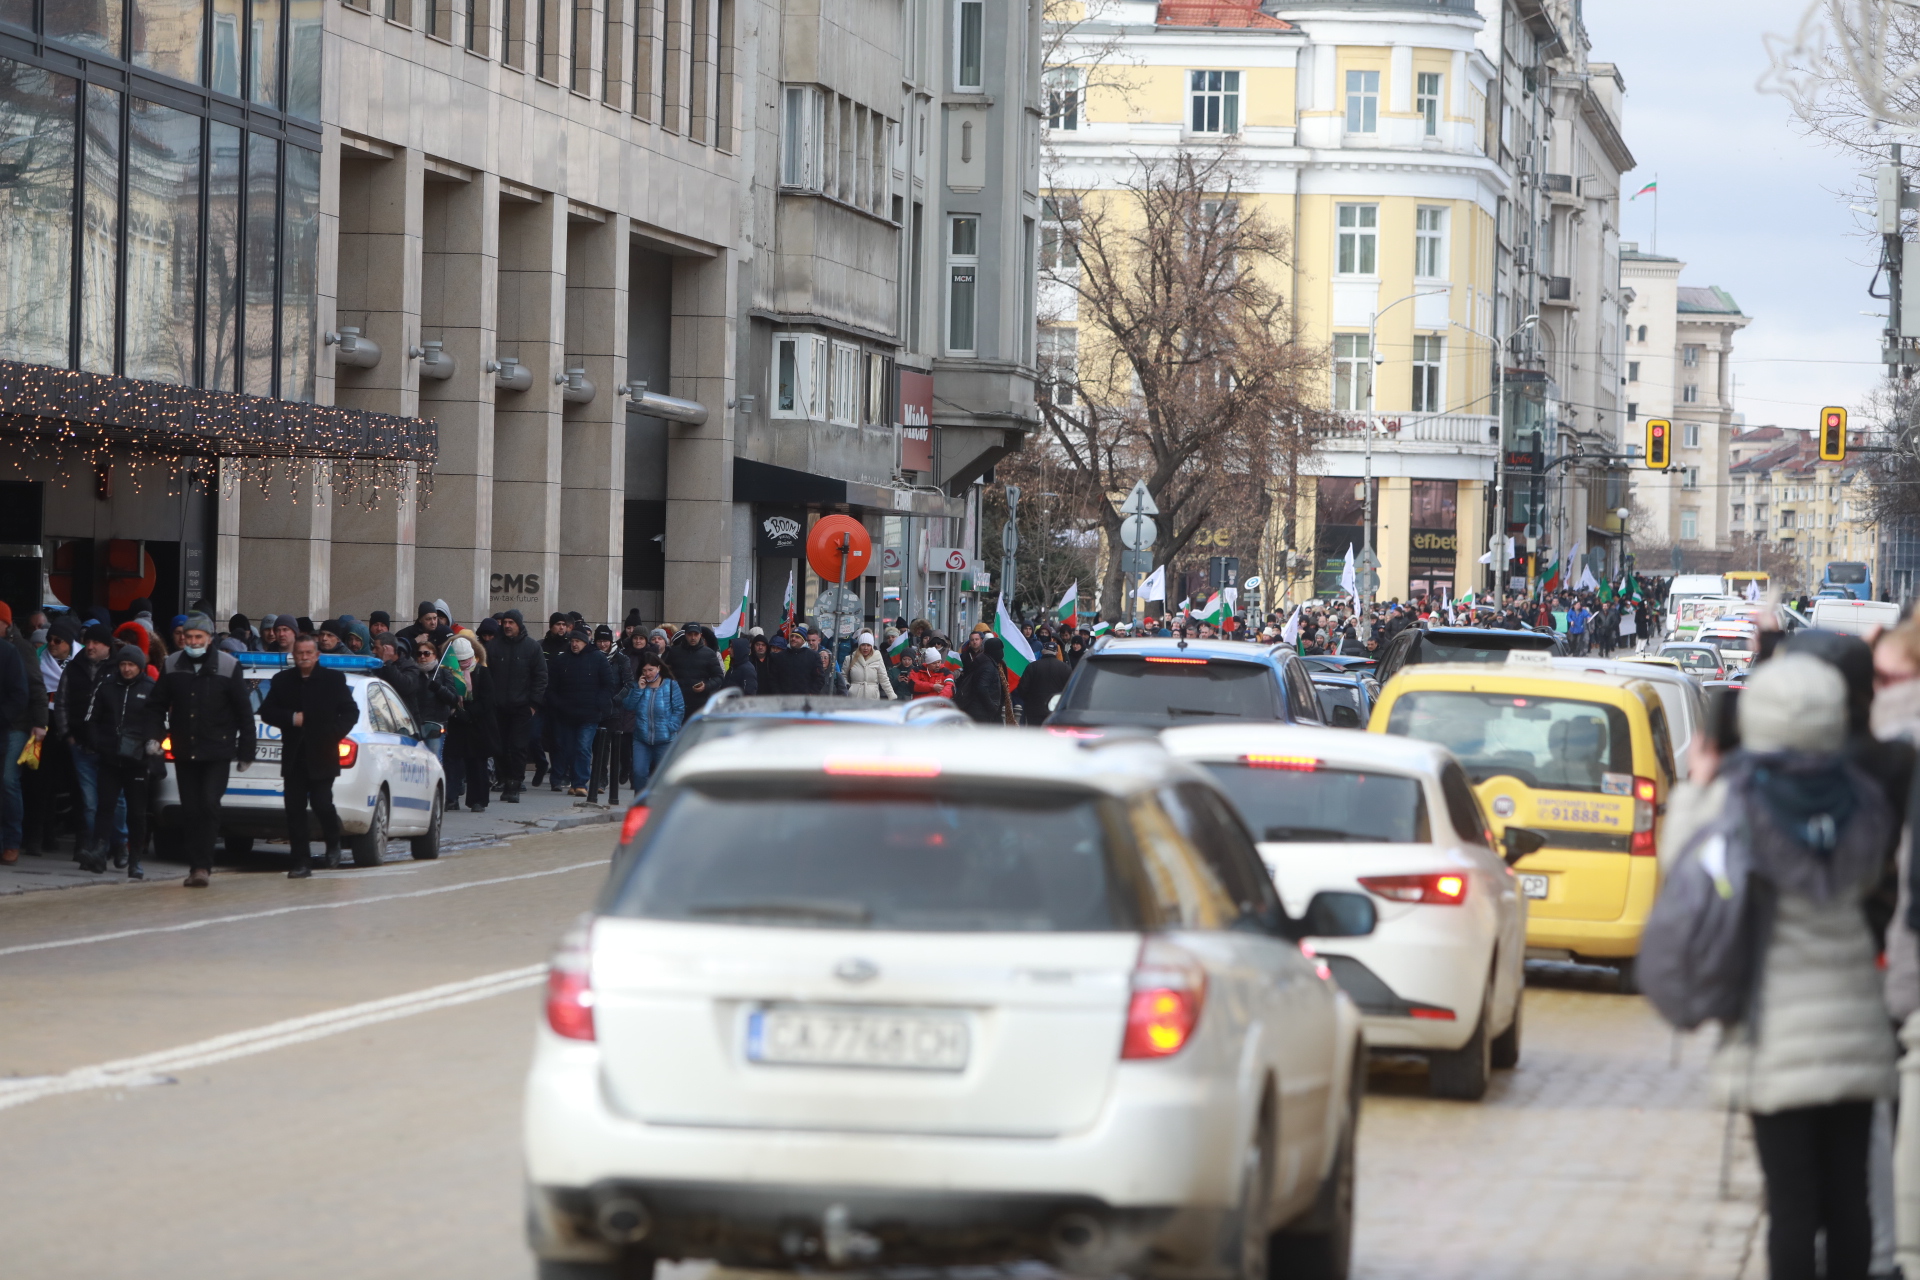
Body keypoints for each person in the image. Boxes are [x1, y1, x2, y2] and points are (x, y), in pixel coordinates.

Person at [1673, 656, 1896, 1280]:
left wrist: (1699, 786)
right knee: (1850, 1197)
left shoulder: (1739, 803)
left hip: (1775, 1032)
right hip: (1856, 1022)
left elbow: (1688, 880)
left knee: (1792, 1205)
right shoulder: (1863, 796)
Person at [145, 613, 255, 887]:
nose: (193, 642)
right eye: (189, 637)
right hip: (185, 749)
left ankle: (203, 866)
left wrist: (246, 751)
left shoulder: (228, 666)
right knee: (191, 808)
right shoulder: (172, 664)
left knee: (208, 804)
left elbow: (244, 712)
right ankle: (196, 865)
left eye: (199, 638)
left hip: (217, 750)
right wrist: (155, 736)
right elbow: (157, 704)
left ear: (209, 639)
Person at [258, 635, 359, 877]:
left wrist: (334, 733)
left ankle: (333, 841)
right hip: (294, 755)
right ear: (293, 656)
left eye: (308, 653)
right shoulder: (282, 680)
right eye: (299, 653)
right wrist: (291, 718)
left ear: (316, 655)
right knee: (294, 809)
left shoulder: (333, 679)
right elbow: (267, 711)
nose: (303, 657)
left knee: (322, 803)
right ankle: (301, 861)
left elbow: (350, 711)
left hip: (323, 753)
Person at [76, 645, 156, 879]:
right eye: (123, 664)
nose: (127, 669)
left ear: (140, 667)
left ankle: (135, 860)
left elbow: (157, 721)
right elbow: (91, 718)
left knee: (137, 813)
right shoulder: (107, 686)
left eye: (131, 665)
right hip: (110, 758)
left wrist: (148, 744)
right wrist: (99, 743)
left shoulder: (150, 688)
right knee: (105, 807)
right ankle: (99, 852)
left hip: (137, 761)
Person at [546, 626, 616, 796]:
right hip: (567, 714)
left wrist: (597, 703)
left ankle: (581, 783)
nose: (574, 644)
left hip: (589, 714)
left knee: (583, 747)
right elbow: (551, 687)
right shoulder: (562, 660)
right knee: (569, 748)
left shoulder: (598, 658)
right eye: (572, 641)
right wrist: (558, 704)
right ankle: (574, 781)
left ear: (585, 642)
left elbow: (608, 684)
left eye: (577, 641)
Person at [485, 609, 547, 802]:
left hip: (522, 707)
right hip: (498, 707)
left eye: (511, 622)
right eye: (505, 622)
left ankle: (514, 784)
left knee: (518, 747)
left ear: (519, 624)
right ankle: (504, 779)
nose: (507, 625)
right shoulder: (493, 647)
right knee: (499, 747)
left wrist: (533, 704)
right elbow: (485, 675)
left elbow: (541, 676)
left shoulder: (531, 647)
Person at [442, 636, 497, 812]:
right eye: (459, 661)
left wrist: (471, 713)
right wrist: (457, 712)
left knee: (477, 764)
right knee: (452, 763)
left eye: (466, 660)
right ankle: (451, 797)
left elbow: (488, 700)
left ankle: (478, 800)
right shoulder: (448, 673)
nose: (463, 664)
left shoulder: (482, 672)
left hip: (477, 725)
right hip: (457, 723)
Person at [625, 653, 684, 787]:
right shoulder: (639, 685)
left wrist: (671, 728)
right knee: (639, 773)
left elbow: (679, 709)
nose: (647, 674)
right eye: (644, 670)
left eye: (650, 670)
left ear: (658, 668)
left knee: (664, 777)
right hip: (642, 739)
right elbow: (628, 705)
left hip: (665, 739)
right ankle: (641, 804)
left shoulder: (670, 685)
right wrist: (638, 690)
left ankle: (661, 805)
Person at [665, 621, 725, 715]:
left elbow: (719, 677)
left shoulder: (709, 654)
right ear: (685, 635)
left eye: (696, 634)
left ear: (700, 635)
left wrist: (706, 686)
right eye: (690, 634)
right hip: (677, 703)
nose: (693, 637)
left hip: (700, 705)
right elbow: (665, 674)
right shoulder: (674, 652)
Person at [1016, 639, 1073, 726]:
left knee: (1036, 737)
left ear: (1043, 652)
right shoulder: (1065, 668)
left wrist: (1030, 701)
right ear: (1056, 652)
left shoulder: (1032, 667)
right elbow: (1070, 690)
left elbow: (1022, 689)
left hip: (1034, 711)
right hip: (1056, 710)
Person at [954, 636, 1008, 723]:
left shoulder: (983, 660)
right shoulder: (988, 666)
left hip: (977, 709)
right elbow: (982, 688)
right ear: (994, 650)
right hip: (982, 712)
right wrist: (992, 706)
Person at [844, 633, 895, 700]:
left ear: (872, 646)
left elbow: (884, 678)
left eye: (868, 645)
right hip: (854, 697)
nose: (865, 648)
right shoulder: (849, 659)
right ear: (859, 646)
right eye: (863, 645)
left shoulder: (877, 658)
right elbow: (843, 676)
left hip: (872, 697)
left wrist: (891, 695)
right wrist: (848, 687)